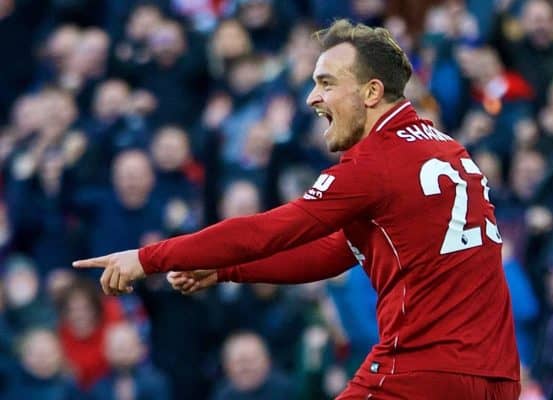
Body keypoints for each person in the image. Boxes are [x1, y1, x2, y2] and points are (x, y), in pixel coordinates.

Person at [73, 19, 521, 399]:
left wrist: (146, 258)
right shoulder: (447, 149)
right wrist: (225, 270)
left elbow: (269, 229)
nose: (312, 98)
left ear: (370, 92)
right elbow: (335, 251)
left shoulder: (374, 163)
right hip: (497, 376)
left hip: (421, 367)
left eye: (326, 83)